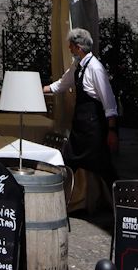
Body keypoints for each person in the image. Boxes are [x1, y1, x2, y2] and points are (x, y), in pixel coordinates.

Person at [43, 26, 119, 182]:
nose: (69, 48)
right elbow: (61, 84)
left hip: (93, 129)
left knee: (101, 166)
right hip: (80, 127)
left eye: (71, 45)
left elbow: (109, 102)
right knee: (70, 161)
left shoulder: (95, 68)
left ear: (78, 47)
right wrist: (39, 90)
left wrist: (112, 130)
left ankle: (117, 198)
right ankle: (70, 198)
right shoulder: (77, 66)